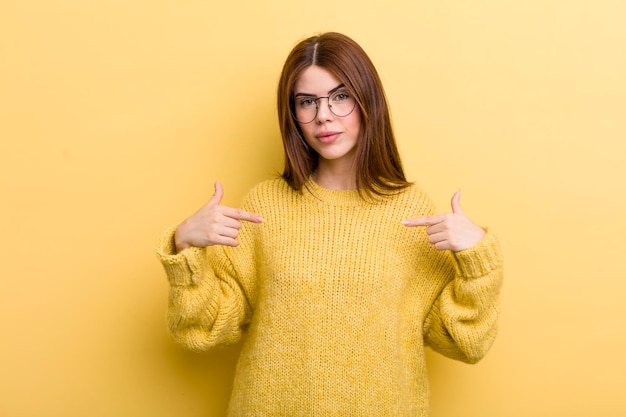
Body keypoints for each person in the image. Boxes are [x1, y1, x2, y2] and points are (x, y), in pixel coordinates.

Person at [157, 32, 503, 416]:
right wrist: (185, 247)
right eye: (307, 102)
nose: (323, 115)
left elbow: (463, 342)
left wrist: (478, 260)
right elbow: (203, 331)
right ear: (293, 115)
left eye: (341, 97)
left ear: (367, 101)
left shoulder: (412, 212)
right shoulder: (263, 206)